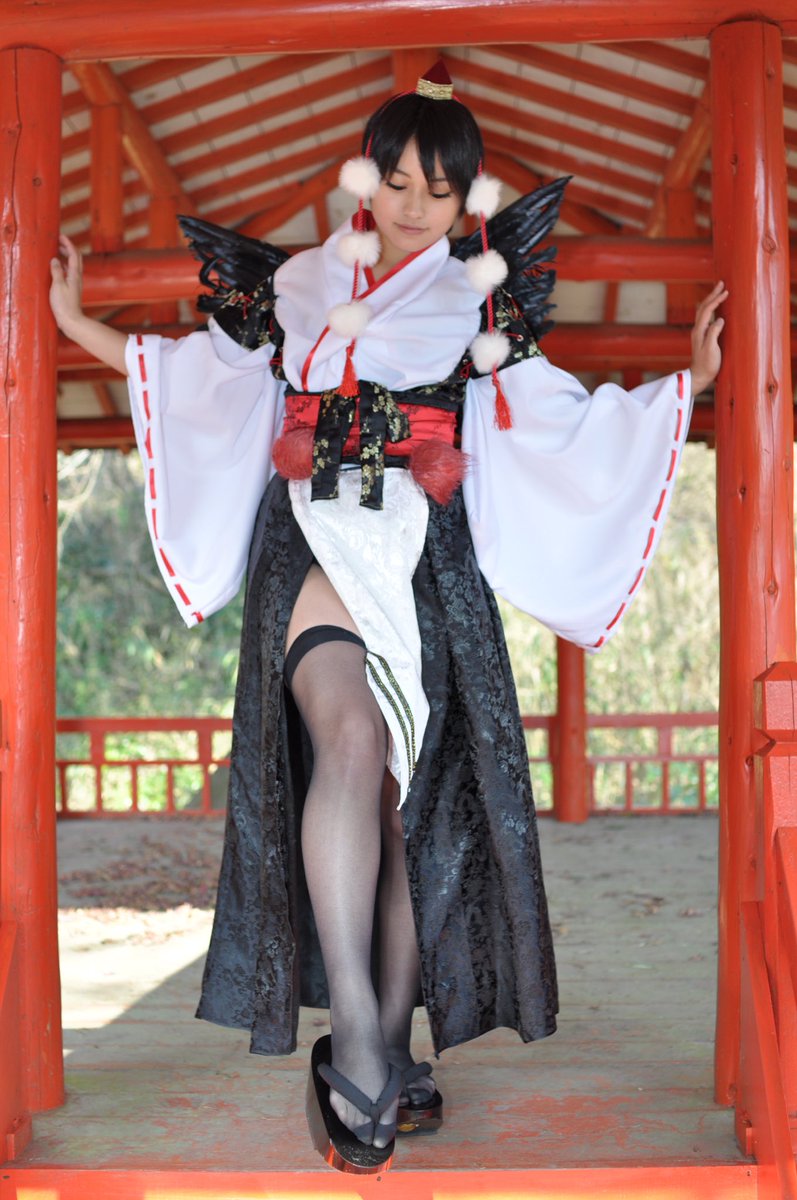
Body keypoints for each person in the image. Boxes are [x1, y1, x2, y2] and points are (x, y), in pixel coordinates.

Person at [50, 63, 726, 1174]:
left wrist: (679, 386)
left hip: (421, 555)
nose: (415, 206)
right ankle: (359, 1037)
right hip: (314, 539)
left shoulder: (480, 301)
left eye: (440, 191)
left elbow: (550, 416)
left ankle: (396, 1050)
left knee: (416, 792)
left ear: (465, 200)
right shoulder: (299, 285)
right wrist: (77, 319)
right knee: (353, 743)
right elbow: (205, 382)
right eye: (399, 181)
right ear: (367, 177)